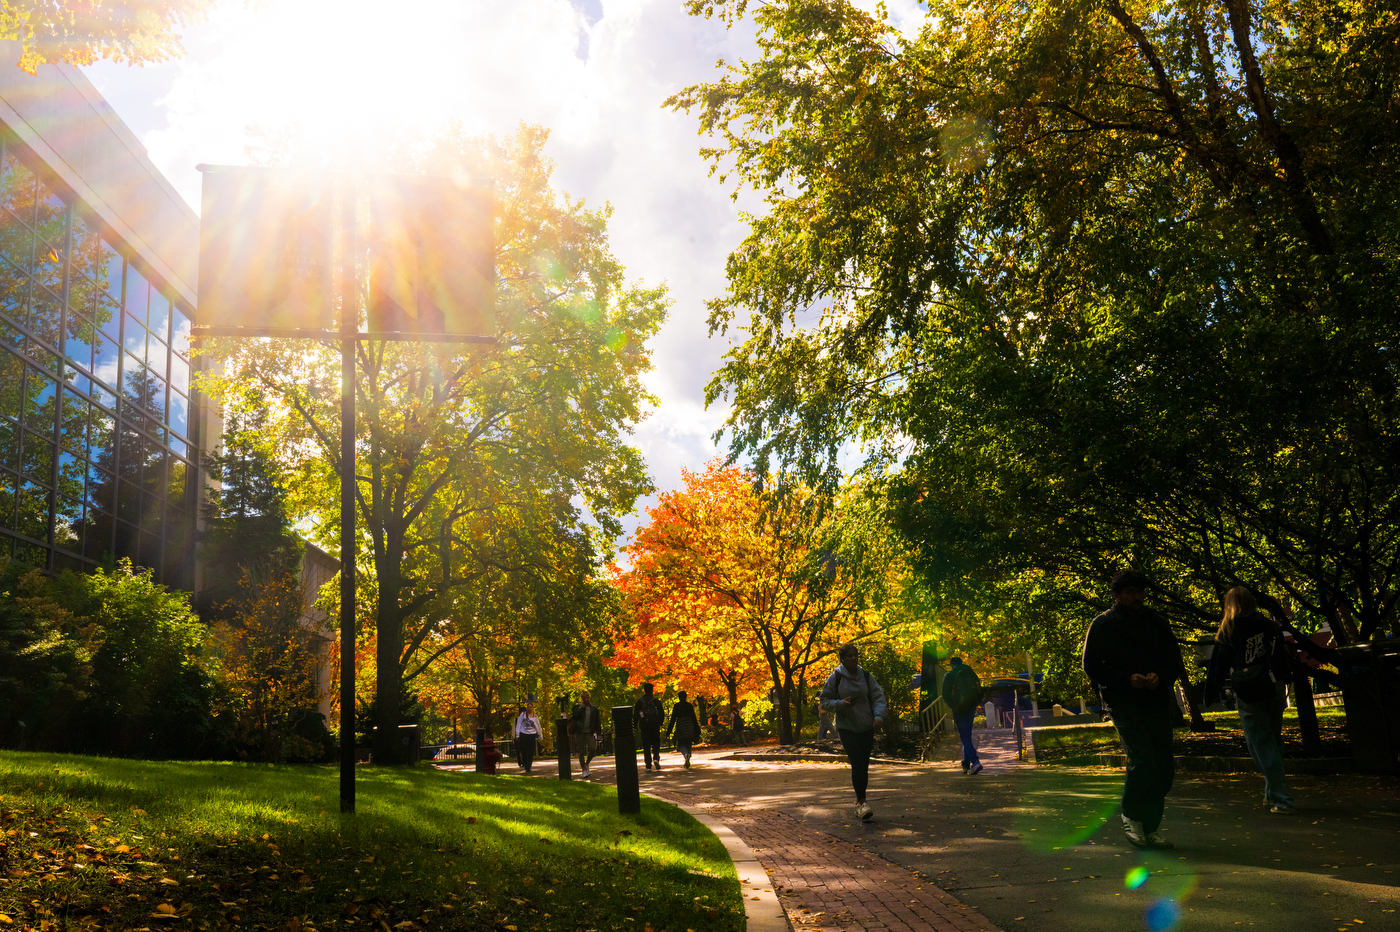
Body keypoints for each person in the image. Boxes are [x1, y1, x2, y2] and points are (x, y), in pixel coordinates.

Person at [1082, 569, 1187, 849]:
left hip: (1155, 700)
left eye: (1140, 591)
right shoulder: (1104, 624)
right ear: (1117, 595)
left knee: (1163, 765)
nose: (1137, 597)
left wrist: (1160, 676)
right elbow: (1091, 665)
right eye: (1130, 592)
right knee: (1142, 760)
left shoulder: (1156, 622)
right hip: (1123, 702)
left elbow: (1172, 660)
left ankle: (1150, 827)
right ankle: (1132, 817)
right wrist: (1125, 680)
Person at [1204, 587, 1297, 813]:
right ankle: (1271, 792)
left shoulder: (1229, 630)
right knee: (1274, 740)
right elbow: (1280, 655)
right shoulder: (1268, 625)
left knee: (1260, 745)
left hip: (1248, 691)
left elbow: (1218, 666)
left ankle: (1282, 800)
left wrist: (1209, 694)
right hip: (1273, 686)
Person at [820, 642, 887, 821]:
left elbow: (878, 697)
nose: (853, 658)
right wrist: (841, 704)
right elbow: (824, 701)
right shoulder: (835, 677)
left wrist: (878, 716)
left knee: (863, 763)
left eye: (855, 655)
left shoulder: (866, 676)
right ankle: (862, 802)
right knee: (857, 761)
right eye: (849, 655)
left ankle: (859, 802)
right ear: (842, 659)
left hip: (866, 725)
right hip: (846, 727)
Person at [941, 656, 985, 774]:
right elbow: (980, 690)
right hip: (971, 707)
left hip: (959, 709)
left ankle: (975, 762)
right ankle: (965, 764)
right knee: (967, 734)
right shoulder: (971, 673)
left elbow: (945, 694)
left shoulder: (949, 675)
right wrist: (975, 703)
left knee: (964, 736)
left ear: (952, 665)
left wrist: (953, 705)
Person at [569, 690, 602, 778]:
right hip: (580, 732)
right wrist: (581, 708)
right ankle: (583, 769)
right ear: (582, 699)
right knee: (581, 750)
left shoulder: (594, 709)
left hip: (589, 732)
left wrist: (598, 735)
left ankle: (587, 763)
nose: (586, 699)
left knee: (592, 749)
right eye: (584, 698)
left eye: (587, 698)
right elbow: (575, 716)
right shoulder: (577, 707)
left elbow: (597, 722)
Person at [634, 682, 665, 771]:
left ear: (644, 690)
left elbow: (635, 715)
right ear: (652, 690)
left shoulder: (640, 702)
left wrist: (635, 725)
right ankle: (656, 758)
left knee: (646, 745)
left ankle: (648, 764)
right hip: (655, 726)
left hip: (644, 726)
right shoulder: (656, 701)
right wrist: (660, 723)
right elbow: (662, 713)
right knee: (656, 743)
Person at [667, 690, 700, 769]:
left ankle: (685, 754)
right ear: (686, 696)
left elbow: (673, 719)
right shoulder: (689, 705)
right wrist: (697, 729)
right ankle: (688, 755)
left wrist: (669, 731)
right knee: (688, 742)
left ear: (679, 697)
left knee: (681, 743)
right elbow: (694, 718)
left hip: (681, 726)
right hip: (690, 725)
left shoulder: (677, 706)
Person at [513, 697, 543, 775]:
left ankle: (528, 766)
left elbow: (538, 726)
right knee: (523, 750)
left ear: (532, 708)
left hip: (531, 735)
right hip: (523, 734)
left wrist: (540, 735)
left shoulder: (535, 716)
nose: (529, 708)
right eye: (528, 707)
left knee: (530, 751)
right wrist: (517, 734)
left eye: (530, 707)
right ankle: (525, 762)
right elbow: (519, 724)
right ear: (526, 708)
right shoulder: (522, 715)